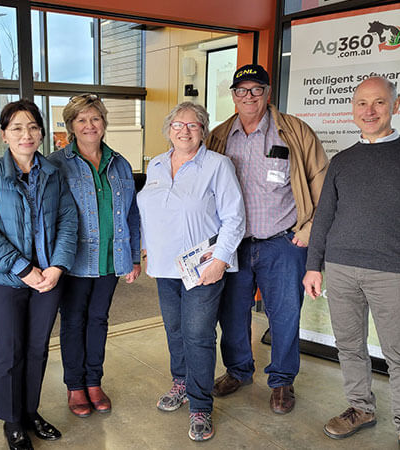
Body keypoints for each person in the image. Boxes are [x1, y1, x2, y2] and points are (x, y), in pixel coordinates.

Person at [303, 77, 400, 450]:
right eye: (362, 104)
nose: (369, 111)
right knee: (349, 346)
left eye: (379, 103)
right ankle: (360, 408)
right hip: (340, 268)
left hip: (393, 273)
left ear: (395, 106)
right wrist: (313, 265)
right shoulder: (342, 161)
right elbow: (324, 217)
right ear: (353, 109)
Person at [204, 63, 328, 413]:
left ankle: (282, 381)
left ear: (268, 93)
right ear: (233, 96)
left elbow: (322, 185)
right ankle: (238, 370)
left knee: (285, 314)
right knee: (231, 314)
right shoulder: (219, 136)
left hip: (283, 242)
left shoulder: (295, 132)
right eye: (241, 91)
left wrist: (306, 232)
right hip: (233, 245)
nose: (249, 97)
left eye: (256, 90)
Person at [0, 99, 78, 450]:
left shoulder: (53, 173)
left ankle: (31, 412)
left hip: (48, 279)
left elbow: (68, 221)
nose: (25, 134)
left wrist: (57, 267)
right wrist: (22, 268)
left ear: (42, 133)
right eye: (16, 127)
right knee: (9, 351)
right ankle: (12, 421)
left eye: (32, 126)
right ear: (4, 135)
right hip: (5, 280)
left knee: (37, 349)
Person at [138, 102, 245, 441]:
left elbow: (234, 216)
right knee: (174, 330)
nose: (185, 130)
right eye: (178, 125)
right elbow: (147, 211)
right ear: (169, 129)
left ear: (203, 131)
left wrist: (220, 260)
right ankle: (181, 383)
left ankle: (200, 406)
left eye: (193, 125)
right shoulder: (155, 165)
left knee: (198, 335)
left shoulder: (218, 165)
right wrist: (144, 245)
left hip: (203, 268)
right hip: (165, 266)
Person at [47, 94, 141, 417]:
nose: (89, 125)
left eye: (95, 119)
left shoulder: (120, 164)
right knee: (74, 321)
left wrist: (134, 256)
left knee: (99, 320)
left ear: (104, 123)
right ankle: (75, 386)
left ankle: (93, 381)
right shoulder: (56, 163)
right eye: (82, 120)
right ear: (71, 126)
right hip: (72, 262)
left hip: (109, 259)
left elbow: (132, 213)